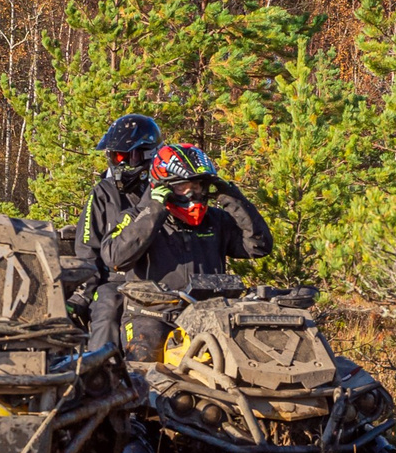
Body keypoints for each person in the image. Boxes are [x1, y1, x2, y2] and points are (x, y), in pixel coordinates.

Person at [90, 142, 272, 357]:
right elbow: (115, 258)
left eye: (197, 187)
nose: (191, 194)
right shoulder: (134, 217)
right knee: (145, 374)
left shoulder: (217, 220)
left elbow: (259, 246)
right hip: (152, 317)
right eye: (182, 187)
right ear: (164, 186)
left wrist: (232, 197)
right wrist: (154, 211)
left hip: (211, 316)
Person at [76, 113, 163, 287]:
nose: (121, 164)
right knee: (106, 311)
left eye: (126, 157)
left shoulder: (166, 193)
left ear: (149, 154)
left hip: (160, 282)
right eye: (117, 157)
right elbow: (87, 250)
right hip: (115, 282)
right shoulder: (104, 192)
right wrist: (84, 295)